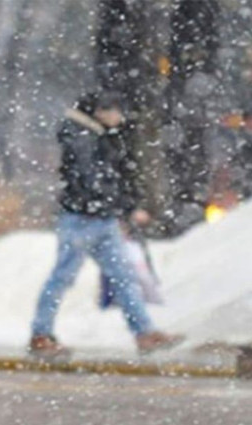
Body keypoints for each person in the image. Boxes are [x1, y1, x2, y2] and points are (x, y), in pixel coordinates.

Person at [29, 91, 184, 358]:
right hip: (83, 219)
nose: (120, 117)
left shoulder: (92, 136)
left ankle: (144, 332)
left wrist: (118, 207)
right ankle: (41, 334)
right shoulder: (84, 139)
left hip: (98, 217)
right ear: (100, 111)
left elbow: (102, 178)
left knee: (121, 278)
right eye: (116, 111)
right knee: (66, 278)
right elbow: (95, 180)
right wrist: (123, 206)